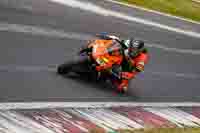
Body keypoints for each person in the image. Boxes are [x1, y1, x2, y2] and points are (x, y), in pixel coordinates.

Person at [80, 34, 149, 92]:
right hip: (121, 55)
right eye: (132, 49)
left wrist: (138, 67)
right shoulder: (127, 43)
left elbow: (141, 64)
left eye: (135, 50)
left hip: (128, 65)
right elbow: (115, 39)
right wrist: (106, 37)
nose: (133, 51)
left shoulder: (143, 56)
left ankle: (109, 76)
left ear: (140, 51)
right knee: (107, 42)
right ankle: (91, 50)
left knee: (122, 88)